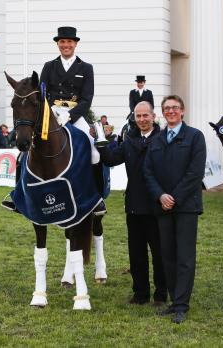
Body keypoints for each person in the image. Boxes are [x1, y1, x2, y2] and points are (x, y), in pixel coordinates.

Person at [2, 26, 106, 215]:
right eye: (62, 42)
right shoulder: (49, 66)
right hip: (51, 114)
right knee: (23, 154)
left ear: (75, 44)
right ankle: (18, 198)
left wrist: (71, 115)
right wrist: (51, 112)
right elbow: (42, 94)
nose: (66, 45)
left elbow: (87, 98)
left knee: (94, 152)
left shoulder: (86, 68)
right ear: (58, 44)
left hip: (75, 115)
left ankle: (96, 199)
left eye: (69, 42)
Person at [97, 101, 167, 306]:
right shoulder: (129, 140)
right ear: (134, 118)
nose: (142, 120)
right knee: (136, 254)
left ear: (153, 116)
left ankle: (161, 294)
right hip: (134, 206)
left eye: (146, 116)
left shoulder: (163, 139)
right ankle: (140, 294)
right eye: (139, 116)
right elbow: (110, 159)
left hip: (157, 206)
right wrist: (101, 141)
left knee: (159, 254)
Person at [144, 95, 206, 324]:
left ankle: (181, 305)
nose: (171, 111)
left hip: (186, 207)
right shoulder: (157, 140)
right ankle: (173, 301)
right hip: (163, 207)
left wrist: (175, 197)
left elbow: (195, 173)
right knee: (167, 256)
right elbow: (147, 172)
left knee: (184, 257)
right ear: (163, 113)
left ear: (183, 111)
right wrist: (161, 195)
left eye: (175, 108)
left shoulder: (195, 137)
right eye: (167, 108)